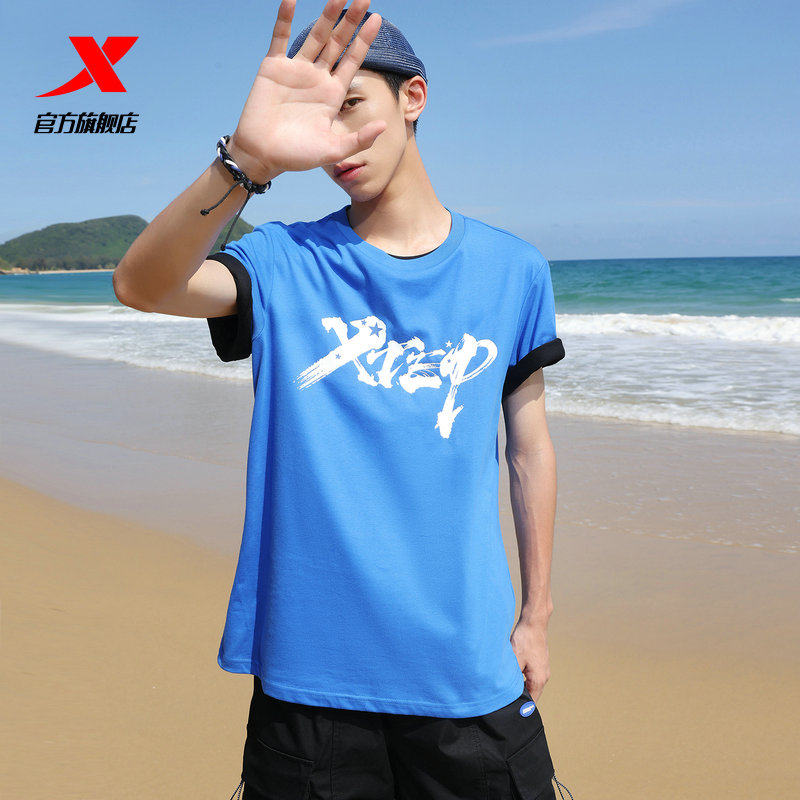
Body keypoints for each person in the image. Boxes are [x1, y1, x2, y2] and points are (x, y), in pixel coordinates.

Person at [113, 0, 570, 798]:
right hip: (311, 686)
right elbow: (142, 285)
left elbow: (529, 451)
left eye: (352, 105)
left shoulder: (512, 270)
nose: (337, 142)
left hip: (467, 674)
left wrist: (536, 616)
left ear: (413, 97)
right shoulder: (285, 262)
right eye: (318, 117)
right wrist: (246, 161)